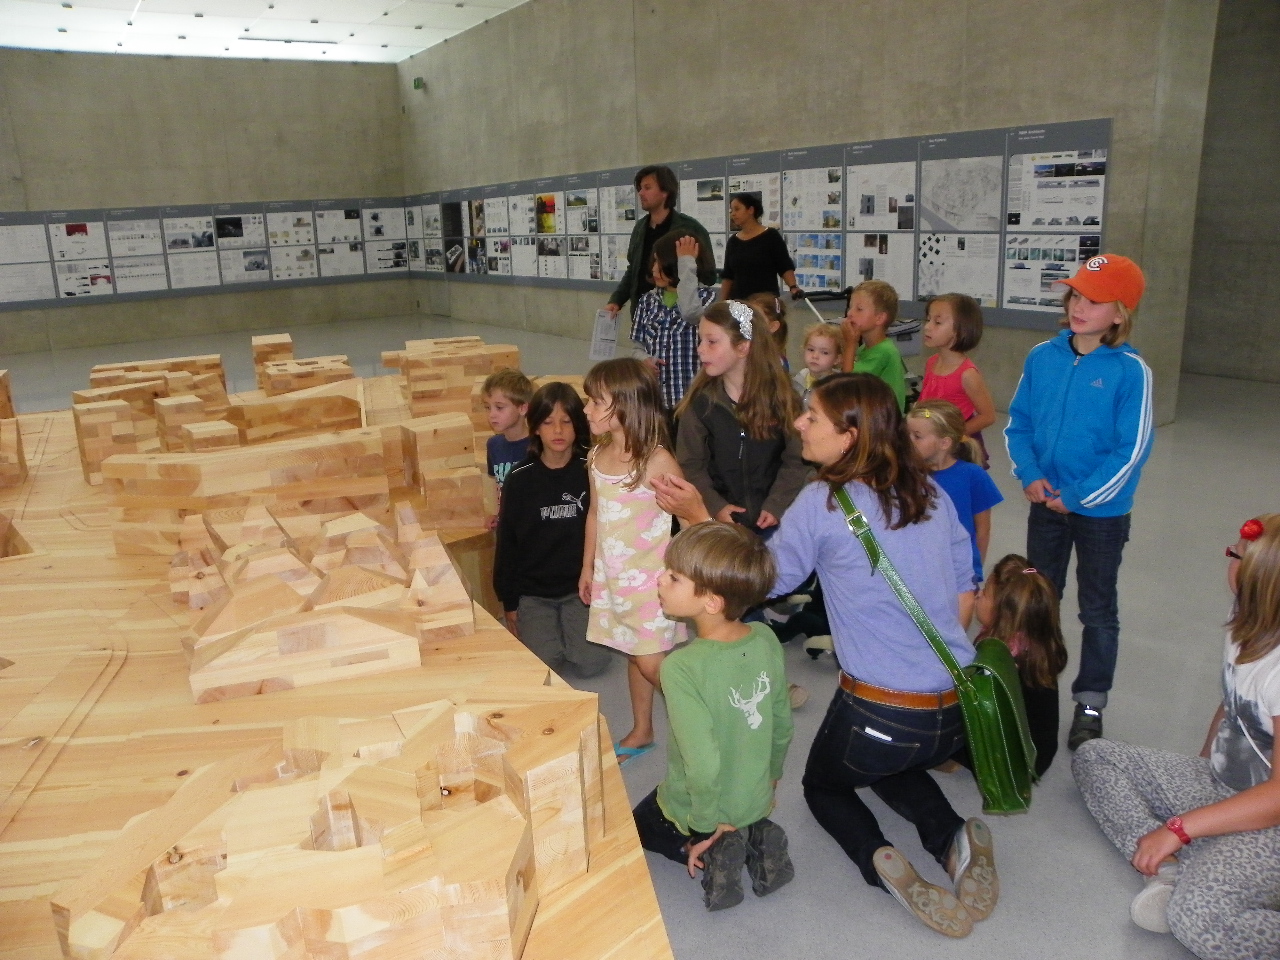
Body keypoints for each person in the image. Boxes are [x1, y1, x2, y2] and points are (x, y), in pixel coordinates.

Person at [654, 373, 996, 939]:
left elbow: (759, 580)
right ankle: (951, 837)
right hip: (954, 703)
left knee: (825, 785)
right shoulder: (929, 492)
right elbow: (966, 587)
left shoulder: (824, 501)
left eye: (812, 416)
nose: (799, 423)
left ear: (850, 436)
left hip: (882, 710)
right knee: (884, 761)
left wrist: (697, 515)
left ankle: (879, 860)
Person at [1073, 515, 1280, 958]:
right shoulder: (1245, 618)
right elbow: (1233, 703)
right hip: (1223, 786)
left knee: (1198, 920)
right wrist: (1201, 769)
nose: (1227, 559)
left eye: (1234, 554)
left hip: (1272, 821)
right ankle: (1168, 869)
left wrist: (1180, 827)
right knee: (1096, 757)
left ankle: (1204, 865)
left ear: (1258, 578)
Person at [1005, 253, 1154, 750]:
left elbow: (1131, 450)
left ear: (1120, 313)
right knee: (1039, 597)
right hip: (1044, 505)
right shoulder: (1042, 357)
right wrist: (1030, 474)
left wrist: (1078, 496)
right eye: (1075, 295)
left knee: (1098, 609)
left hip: (1101, 515)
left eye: (1094, 300)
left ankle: (1090, 702)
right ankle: (1033, 687)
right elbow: (1019, 424)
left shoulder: (1131, 372)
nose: (1079, 306)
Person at [632, 522, 795, 911]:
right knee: (743, 804)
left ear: (711, 602)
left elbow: (702, 764)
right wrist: (772, 778)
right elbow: (782, 724)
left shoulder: (681, 667)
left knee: (639, 824)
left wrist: (703, 826)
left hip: (704, 805)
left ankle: (713, 847)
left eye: (674, 577)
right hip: (756, 792)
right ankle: (756, 829)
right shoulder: (766, 638)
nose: (660, 579)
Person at [579, 358, 685, 764]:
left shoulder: (656, 462)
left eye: (595, 401)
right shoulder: (597, 456)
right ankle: (643, 730)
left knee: (651, 662)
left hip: (650, 586)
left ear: (625, 406)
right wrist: (588, 567)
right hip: (612, 579)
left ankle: (709, 717)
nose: (586, 409)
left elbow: (688, 515)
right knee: (633, 652)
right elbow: (594, 513)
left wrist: (688, 577)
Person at [493, 382, 610, 678]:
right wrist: (510, 602)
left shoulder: (591, 471)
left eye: (566, 421)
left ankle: (573, 630)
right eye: (548, 422)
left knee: (591, 663)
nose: (558, 431)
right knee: (546, 664)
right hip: (534, 594)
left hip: (579, 589)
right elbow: (507, 544)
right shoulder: (519, 479)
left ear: (578, 425)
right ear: (535, 427)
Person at [675, 301, 808, 538]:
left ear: (743, 347)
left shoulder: (784, 398)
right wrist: (716, 506)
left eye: (711, 341)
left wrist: (777, 504)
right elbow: (690, 464)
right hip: (721, 525)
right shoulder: (700, 403)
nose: (700, 349)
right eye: (700, 340)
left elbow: (798, 460)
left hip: (776, 525)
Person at [972, 555, 1068, 776]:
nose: (978, 595)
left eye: (985, 593)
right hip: (1038, 755)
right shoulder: (1035, 647)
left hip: (1014, 764)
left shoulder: (1000, 658)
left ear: (1002, 613)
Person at [906, 399, 1003, 589]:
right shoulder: (907, 475)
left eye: (917, 436)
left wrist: (974, 573)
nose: (909, 442)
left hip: (957, 572)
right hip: (916, 571)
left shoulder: (973, 476)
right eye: (907, 434)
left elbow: (982, 531)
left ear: (944, 443)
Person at [604, 165, 715, 321]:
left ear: (665, 191)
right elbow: (633, 270)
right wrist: (617, 300)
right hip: (644, 314)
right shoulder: (640, 228)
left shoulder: (690, 229)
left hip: (680, 318)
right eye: (640, 188)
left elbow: (709, 276)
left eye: (647, 187)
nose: (640, 193)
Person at [630, 232, 717, 413]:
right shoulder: (647, 301)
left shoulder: (707, 298)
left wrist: (686, 264)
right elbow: (637, 347)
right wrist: (643, 360)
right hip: (657, 401)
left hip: (693, 402)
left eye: (660, 263)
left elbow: (690, 313)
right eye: (654, 262)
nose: (654, 269)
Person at [918, 293, 996, 468]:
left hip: (957, 448)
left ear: (959, 330)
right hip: (932, 442)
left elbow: (988, 416)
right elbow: (926, 403)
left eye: (938, 322)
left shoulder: (967, 374)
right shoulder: (931, 362)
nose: (927, 327)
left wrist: (951, 435)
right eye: (928, 320)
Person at [839, 279, 907, 412]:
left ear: (879, 318)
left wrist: (850, 343)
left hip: (884, 421)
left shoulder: (884, 352)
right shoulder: (865, 348)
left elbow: (848, 385)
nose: (850, 313)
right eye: (850, 307)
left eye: (859, 309)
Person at [720, 192, 799, 302]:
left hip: (766, 302)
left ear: (750, 210)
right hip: (739, 304)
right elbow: (728, 276)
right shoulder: (733, 241)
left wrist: (793, 287)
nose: (733, 214)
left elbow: (784, 265)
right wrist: (721, 303)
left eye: (737, 209)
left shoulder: (771, 236)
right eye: (731, 211)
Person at [481, 368, 534, 530]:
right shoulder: (493, 445)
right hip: (508, 527)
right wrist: (495, 513)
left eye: (499, 407)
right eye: (487, 407)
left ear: (522, 408)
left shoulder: (538, 446)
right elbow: (496, 484)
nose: (492, 415)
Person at [793, 322, 842, 407]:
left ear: (837, 359)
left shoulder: (837, 387)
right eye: (811, 350)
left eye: (824, 352)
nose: (815, 356)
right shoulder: (797, 380)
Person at [744, 292, 790, 372]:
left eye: (756, 317)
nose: (749, 321)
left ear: (773, 326)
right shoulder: (744, 347)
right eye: (747, 315)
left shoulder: (774, 361)